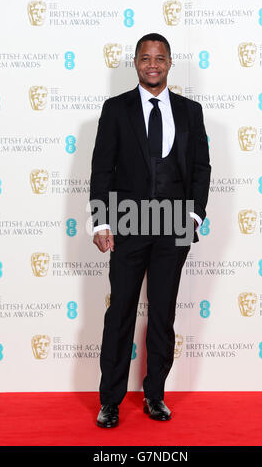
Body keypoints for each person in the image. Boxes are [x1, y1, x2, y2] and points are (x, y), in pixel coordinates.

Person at [89, 33, 211, 428]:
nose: (152, 64)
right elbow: (101, 168)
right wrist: (101, 221)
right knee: (120, 313)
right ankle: (110, 401)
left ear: (171, 62)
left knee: (162, 314)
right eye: (145, 58)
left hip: (175, 219)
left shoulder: (191, 111)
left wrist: (194, 217)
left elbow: (201, 169)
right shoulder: (115, 109)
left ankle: (155, 396)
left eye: (159, 58)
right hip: (127, 219)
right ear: (136, 63)